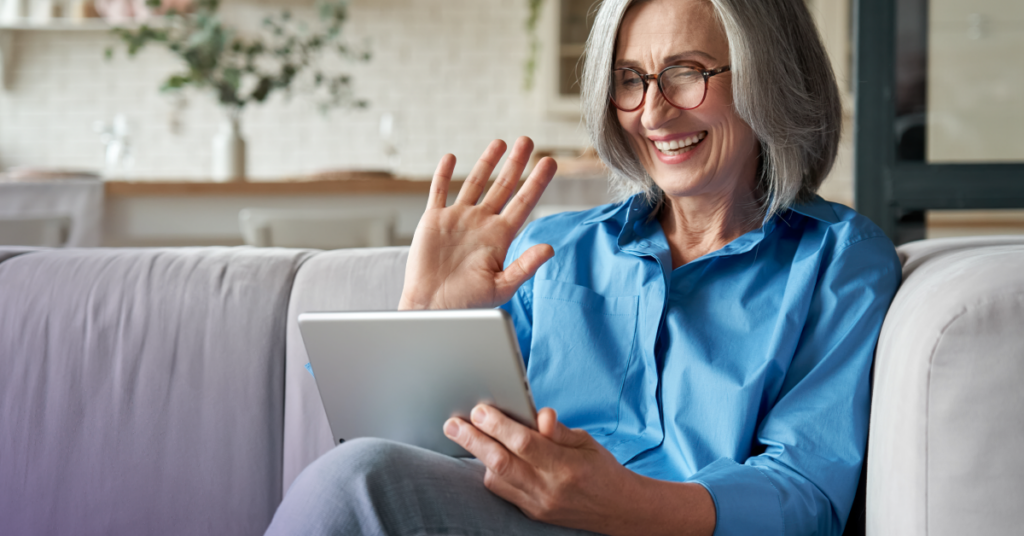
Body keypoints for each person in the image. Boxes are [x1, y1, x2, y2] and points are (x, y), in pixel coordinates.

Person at [265, 0, 902, 534]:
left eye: (686, 73)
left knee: (358, 481)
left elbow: (809, 497)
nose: (653, 113)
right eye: (631, 79)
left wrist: (620, 501)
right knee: (360, 475)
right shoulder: (553, 249)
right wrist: (425, 315)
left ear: (770, 76)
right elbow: (425, 455)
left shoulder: (837, 259)